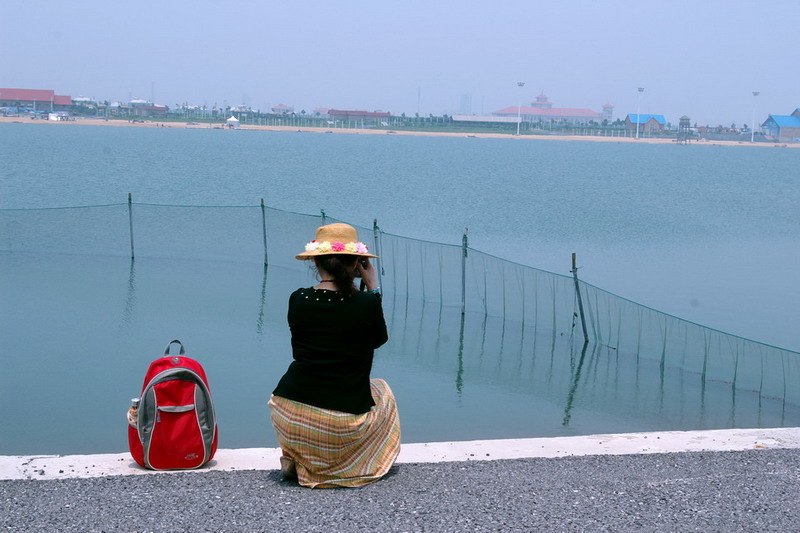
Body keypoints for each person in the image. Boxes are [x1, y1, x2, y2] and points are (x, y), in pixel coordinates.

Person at [269, 223, 400, 488]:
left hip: (288, 410)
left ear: (315, 262)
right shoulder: (366, 303)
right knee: (383, 391)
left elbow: (303, 346)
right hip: (339, 423)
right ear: (357, 264)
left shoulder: (298, 298)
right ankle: (347, 466)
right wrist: (373, 288)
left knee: (313, 411)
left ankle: (301, 459)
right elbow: (378, 340)